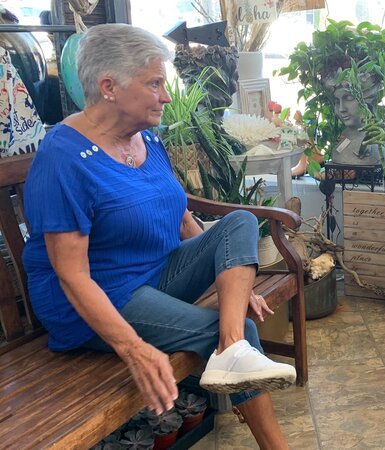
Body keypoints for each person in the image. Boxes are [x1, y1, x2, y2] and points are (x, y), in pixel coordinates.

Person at [22, 24, 294, 449]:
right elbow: (72, 277)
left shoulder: (145, 138)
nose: (166, 96)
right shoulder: (63, 158)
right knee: (233, 330)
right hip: (98, 297)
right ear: (108, 86)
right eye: (154, 84)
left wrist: (233, 281)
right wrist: (133, 349)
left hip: (154, 273)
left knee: (240, 221)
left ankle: (233, 350)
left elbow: (182, 216)